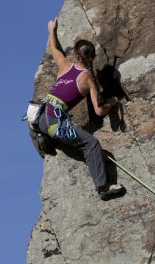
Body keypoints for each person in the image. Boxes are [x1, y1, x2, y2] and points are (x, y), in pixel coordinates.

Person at [37, 19, 126, 200]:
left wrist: (51, 30)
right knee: (91, 143)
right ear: (92, 57)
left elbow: (54, 49)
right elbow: (100, 111)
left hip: (40, 117)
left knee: (59, 130)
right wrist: (114, 100)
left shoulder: (64, 65)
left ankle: (45, 139)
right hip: (55, 123)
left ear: (76, 55)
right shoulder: (87, 80)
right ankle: (103, 188)